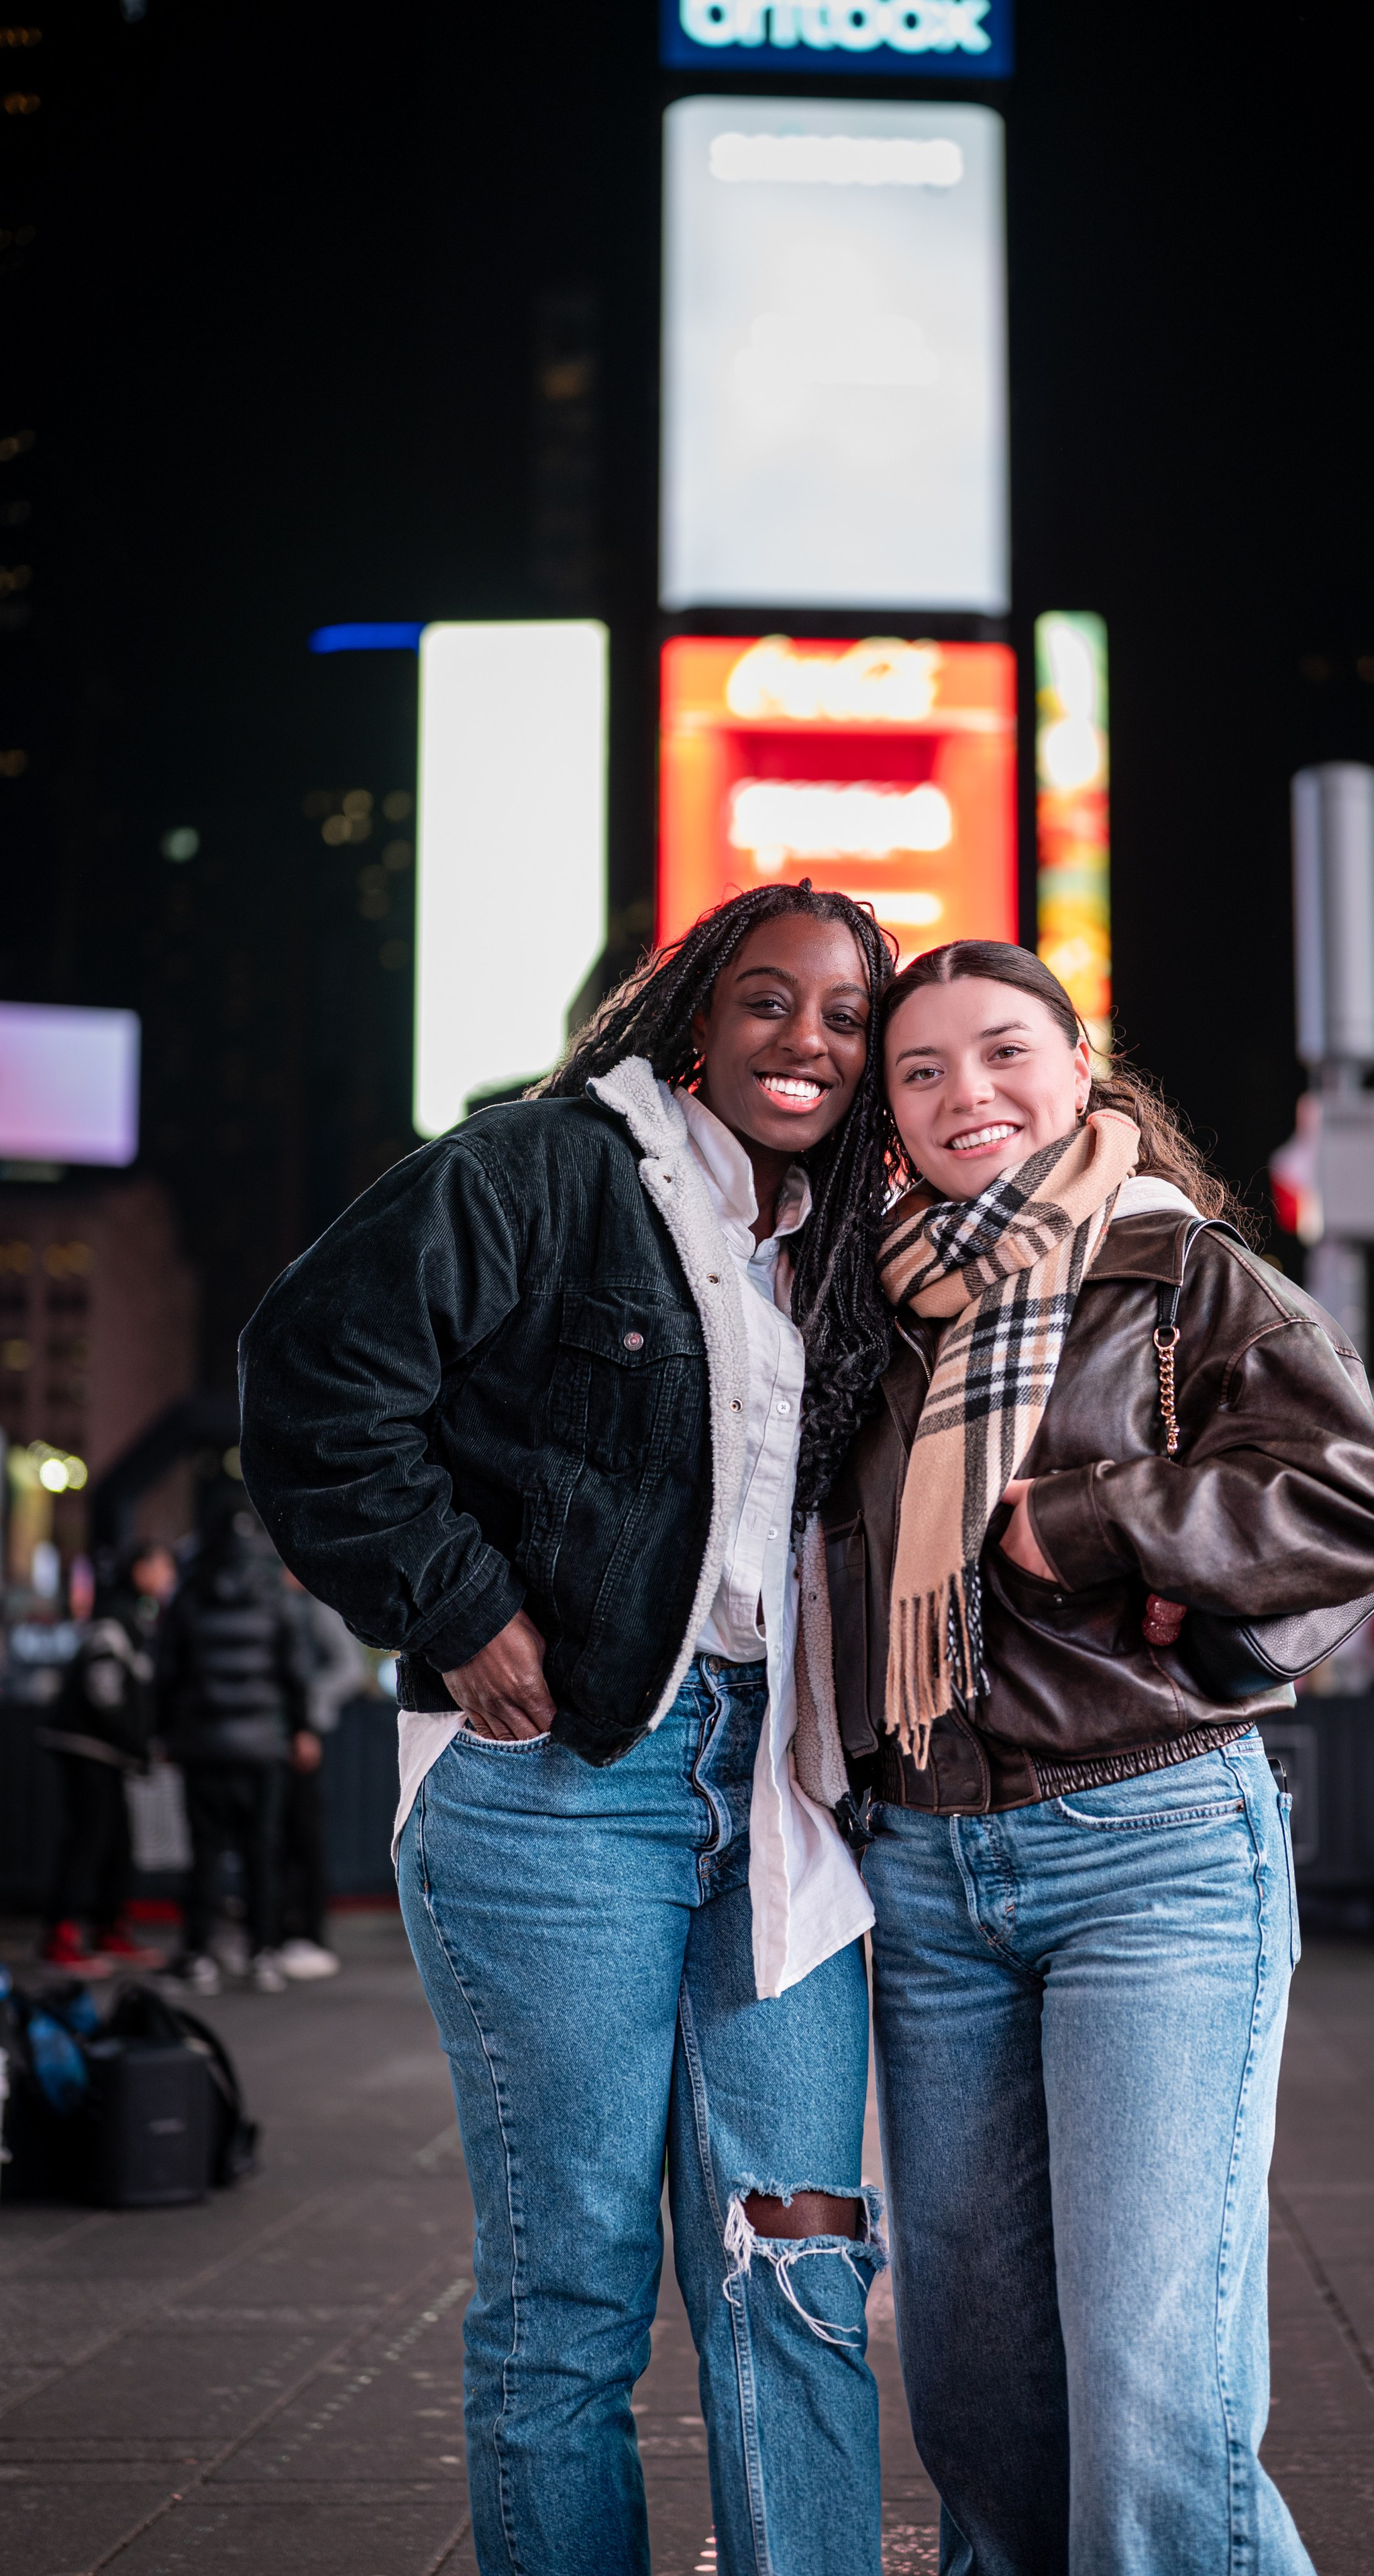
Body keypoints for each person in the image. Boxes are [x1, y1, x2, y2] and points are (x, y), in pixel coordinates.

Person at [237, 885, 898, 2576]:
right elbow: (314, 1367)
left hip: (771, 1793)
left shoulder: (832, 1237)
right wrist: (451, 1602)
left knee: (801, 2257)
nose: (805, 1041)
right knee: (571, 2286)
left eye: (842, 1016)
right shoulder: (543, 1166)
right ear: (691, 1015)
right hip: (557, 1785)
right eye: (767, 1001)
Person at [809, 941, 1374, 2576]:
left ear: (1081, 1068)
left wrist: (1082, 1517)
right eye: (918, 1071)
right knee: (977, 2380)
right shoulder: (868, 1302)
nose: (962, 1093)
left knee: (1149, 2379)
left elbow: (1345, 1510)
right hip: (924, 1868)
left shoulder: (1179, 1269)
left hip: (1149, 1847)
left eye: (1002, 1051)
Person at [155, 1498, 311, 1996]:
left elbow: (166, 1673)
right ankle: (263, 1952)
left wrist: (166, 1734)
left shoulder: (188, 1593)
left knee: (203, 1852)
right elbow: (294, 1672)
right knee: (262, 1852)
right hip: (263, 1747)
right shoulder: (274, 1594)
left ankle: (199, 1953)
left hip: (202, 1745)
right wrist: (301, 1728)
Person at [37, 1538, 177, 1975]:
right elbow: (104, 1689)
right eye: (162, 1565)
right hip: (89, 1750)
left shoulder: (133, 1618)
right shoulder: (115, 1619)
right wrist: (137, 1738)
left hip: (109, 1753)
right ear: (141, 1569)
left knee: (116, 1843)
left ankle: (107, 1930)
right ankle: (60, 1940)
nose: (169, 1575)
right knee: (88, 1842)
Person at [278, 1570, 370, 1979]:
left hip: (307, 1737)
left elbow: (350, 1669)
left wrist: (310, 1710)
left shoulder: (318, 1607)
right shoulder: (287, 1604)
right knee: (284, 1836)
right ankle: (288, 1931)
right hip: (277, 1736)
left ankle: (309, 1933)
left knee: (306, 1834)